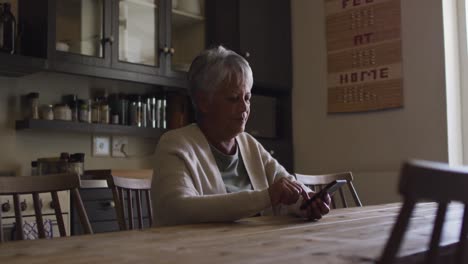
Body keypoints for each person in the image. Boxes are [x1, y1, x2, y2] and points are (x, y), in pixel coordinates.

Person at [152, 46, 330, 226]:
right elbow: (177, 209)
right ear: (203, 101)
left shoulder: (248, 144)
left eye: (247, 98)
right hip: (198, 250)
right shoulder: (175, 144)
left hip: (254, 246)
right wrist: (266, 197)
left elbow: (285, 183)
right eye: (233, 98)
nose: (245, 108)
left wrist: (307, 201)